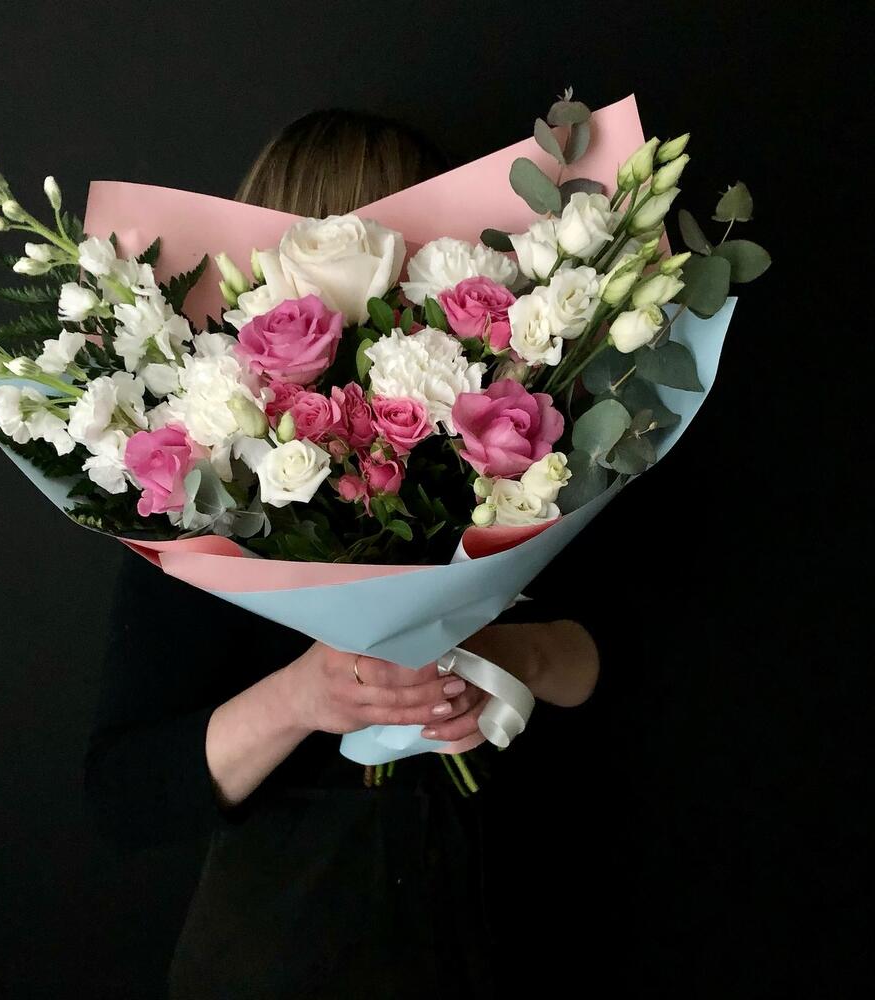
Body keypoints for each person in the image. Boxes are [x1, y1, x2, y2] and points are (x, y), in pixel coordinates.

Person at [85, 109, 605, 1000]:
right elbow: (123, 795)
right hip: (285, 943)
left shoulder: (508, 433)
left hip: (498, 921)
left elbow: (601, 656)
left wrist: (499, 657)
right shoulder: (198, 481)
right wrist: (305, 696)